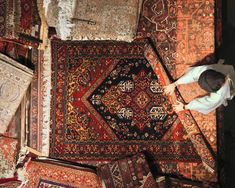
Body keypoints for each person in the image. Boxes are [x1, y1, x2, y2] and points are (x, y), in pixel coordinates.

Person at [164, 61, 235, 114]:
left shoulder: (218, 96)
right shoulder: (208, 70)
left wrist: (184, 107)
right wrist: (175, 83)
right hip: (228, 72)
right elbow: (193, 74)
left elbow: (204, 104)